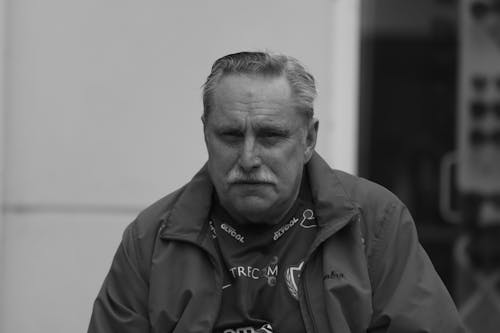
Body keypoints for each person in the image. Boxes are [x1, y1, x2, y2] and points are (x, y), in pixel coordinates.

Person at [88, 51, 466, 333]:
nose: (249, 158)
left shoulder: (373, 222)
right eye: (231, 135)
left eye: (270, 136)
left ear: (308, 139)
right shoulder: (151, 237)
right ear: (206, 133)